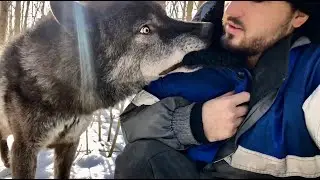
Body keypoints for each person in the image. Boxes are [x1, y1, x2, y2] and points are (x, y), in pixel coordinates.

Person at [114, 1, 320, 179]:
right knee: (139, 157)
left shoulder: (311, 71)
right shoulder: (189, 56)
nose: (232, 9)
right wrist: (192, 123)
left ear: (298, 16)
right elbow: (132, 124)